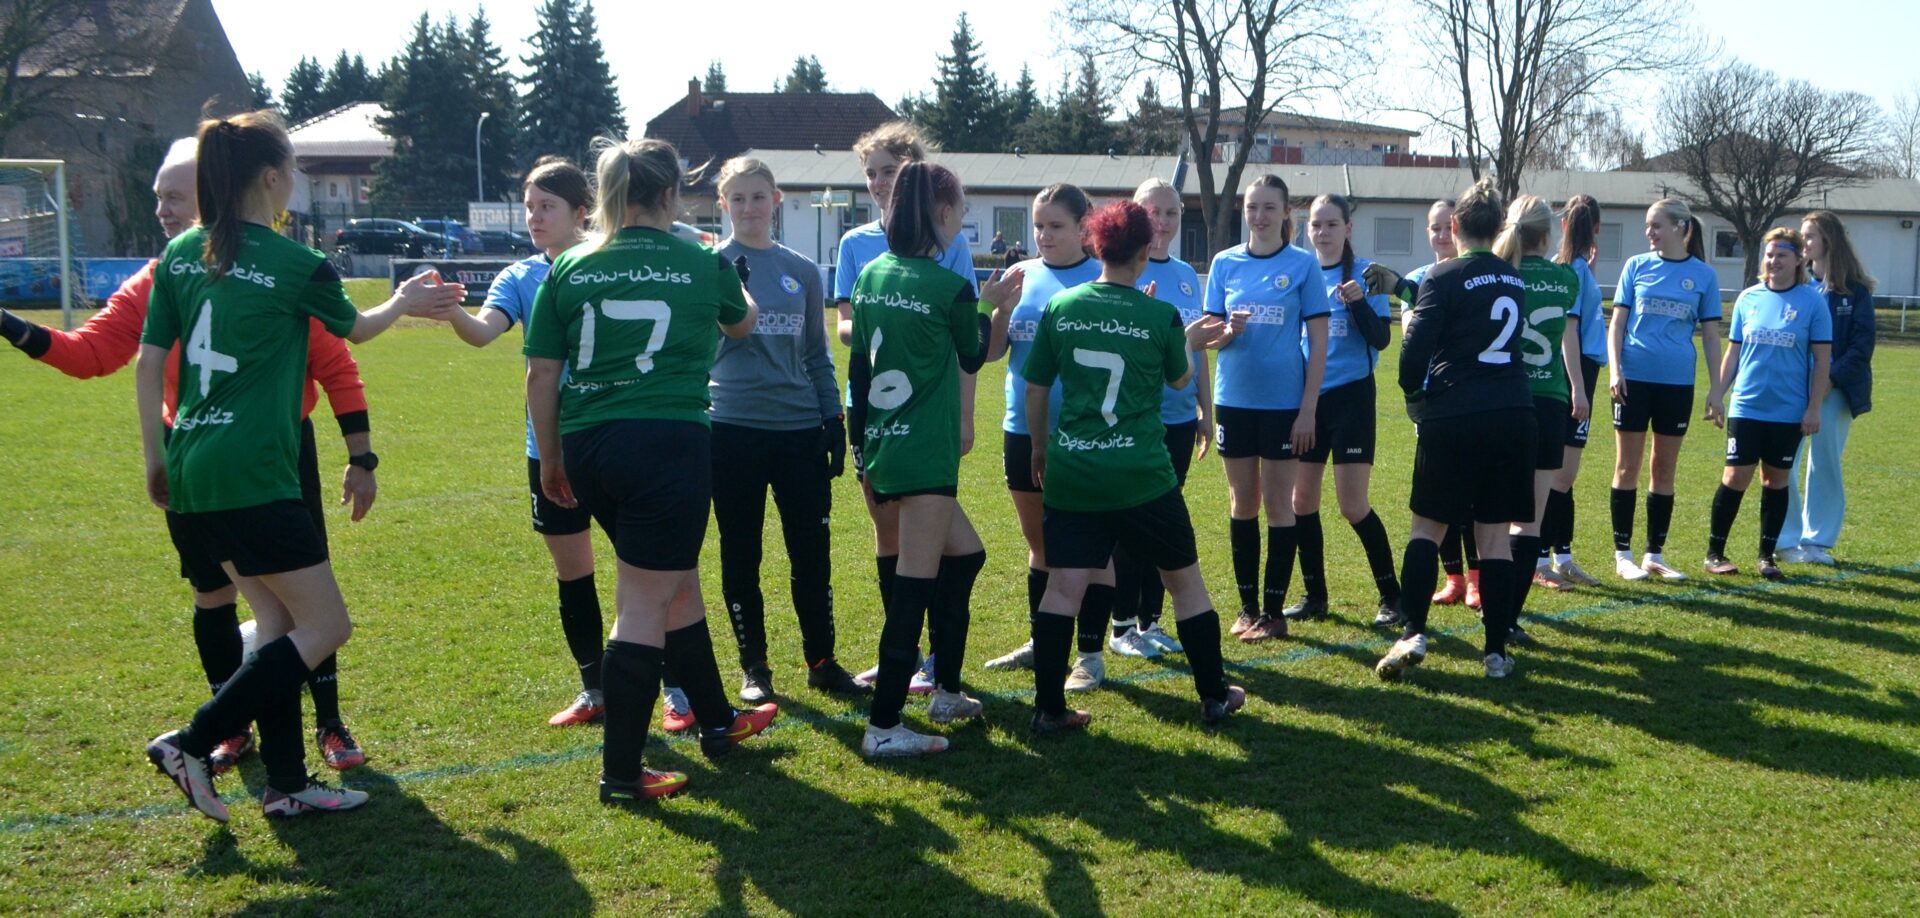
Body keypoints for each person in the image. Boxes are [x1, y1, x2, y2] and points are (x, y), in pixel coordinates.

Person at [2, 137, 374, 773]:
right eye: (157, 198)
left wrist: (361, 455)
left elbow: (337, 360)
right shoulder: (166, 273)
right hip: (194, 457)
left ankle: (327, 725)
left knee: (297, 595)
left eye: (173, 196)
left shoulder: (274, 269)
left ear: (215, 191)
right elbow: (90, 354)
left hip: (277, 453)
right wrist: (10, 324)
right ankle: (229, 732)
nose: (162, 210)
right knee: (222, 596)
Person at [140, 110, 466, 822]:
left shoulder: (182, 254)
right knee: (325, 627)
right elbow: (355, 330)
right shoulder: (293, 261)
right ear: (269, 178)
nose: (295, 182)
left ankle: (286, 782)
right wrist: (407, 301)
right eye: (291, 170)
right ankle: (191, 741)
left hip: (192, 461)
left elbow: (148, 361)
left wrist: (153, 455)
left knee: (280, 623)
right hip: (257, 468)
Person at [523, 137, 778, 804]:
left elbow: (542, 372)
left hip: (587, 445)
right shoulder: (699, 259)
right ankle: (621, 773)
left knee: (672, 584)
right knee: (644, 602)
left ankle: (718, 721)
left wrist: (550, 456)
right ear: (670, 194)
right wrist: (737, 290)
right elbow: (743, 326)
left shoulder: (571, 264)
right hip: (667, 443)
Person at [1021, 200, 1246, 733]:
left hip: (1075, 472)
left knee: (1062, 588)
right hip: (1144, 475)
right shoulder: (1158, 314)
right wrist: (1184, 341)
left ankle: (1048, 709)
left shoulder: (1064, 307)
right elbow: (1176, 382)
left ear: (1097, 245)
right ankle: (1214, 696)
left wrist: (1038, 448)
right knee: (1185, 584)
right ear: (1145, 252)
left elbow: (1036, 388)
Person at [848, 161, 1020, 757]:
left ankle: (946, 688)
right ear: (941, 213)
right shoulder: (949, 285)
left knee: (966, 556)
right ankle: (884, 725)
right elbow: (975, 355)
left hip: (884, 442)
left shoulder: (871, 274)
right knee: (914, 586)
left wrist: (858, 446)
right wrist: (995, 305)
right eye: (962, 206)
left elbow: (859, 372)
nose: (965, 217)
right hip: (925, 451)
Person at [831, 122, 987, 693]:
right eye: (869, 173)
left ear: (916, 180)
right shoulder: (859, 250)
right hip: (897, 423)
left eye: (888, 172)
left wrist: (967, 416)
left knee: (950, 552)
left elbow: (961, 348)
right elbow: (967, 338)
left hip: (913, 417)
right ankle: (908, 684)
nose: (877, 184)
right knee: (901, 545)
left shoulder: (935, 255)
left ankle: (935, 677)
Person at [707, 157, 866, 699]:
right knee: (740, 553)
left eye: (758, 197)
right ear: (723, 204)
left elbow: (818, 356)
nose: (748, 208)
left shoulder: (802, 270)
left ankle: (822, 660)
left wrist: (832, 417)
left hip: (798, 431)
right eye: (737, 198)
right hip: (731, 430)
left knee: (811, 554)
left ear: (776, 201)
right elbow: (699, 352)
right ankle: (755, 669)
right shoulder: (710, 268)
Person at [1375, 178, 1536, 682]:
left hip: (1456, 413)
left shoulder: (1441, 278)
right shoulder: (1514, 280)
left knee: (1427, 528)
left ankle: (1413, 632)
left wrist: (1414, 396)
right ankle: (1495, 653)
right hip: (1513, 412)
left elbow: (1412, 353)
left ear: (1457, 226)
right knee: (1493, 540)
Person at [979, 184, 1105, 688]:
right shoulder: (1021, 275)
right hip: (1021, 429)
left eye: (1056, 226)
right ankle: (1042, 640)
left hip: (1086, 433)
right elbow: (990, 355)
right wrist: (999, 310)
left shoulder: (1101, 276)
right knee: (1040, 545)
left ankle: (1091, 655)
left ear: (1083, 227)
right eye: (1038, 226)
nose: (1044, 235)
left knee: (1091, 547)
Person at [1205, 175, 1329, 644]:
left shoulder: (1302, 266)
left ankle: (1274, 613)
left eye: (1268, 208)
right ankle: (1247, 607)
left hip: (1284, 406)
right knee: (1242, 503)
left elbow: (1318, 344)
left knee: (1279, 505)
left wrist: (1308, 409)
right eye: (1252, 207)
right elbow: (1210, 336)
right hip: (1233, 401)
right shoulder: (1224, 263)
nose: (1259, 216)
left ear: (1283, 214)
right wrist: (1227, 332)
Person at [1282, 193, 1400, 628]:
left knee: (1353, 506)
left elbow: (1382, 340)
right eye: (1316, 224)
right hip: (1308, 401)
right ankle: (1315, 595)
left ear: (1348, 229)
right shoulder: (1297, 272)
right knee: (1301, 500)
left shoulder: (1366, 275)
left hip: (1352, 398)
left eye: (1332, 225)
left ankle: (1392, 597)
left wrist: (1355, 302)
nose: (1323, 233)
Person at [1105, 177, 1209, 657]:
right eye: (1154, 213)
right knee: (1133, 524)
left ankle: (1150, 621)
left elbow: (1198, 350)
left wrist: (1204, 409)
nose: (1163, 222)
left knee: (1163, 523)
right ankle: (1122, 624)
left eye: (1172, 213)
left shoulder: (1188, 274)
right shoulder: (1123, 273)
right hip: (1138, 419)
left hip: (1180, 418)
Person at [1366, 200, 1480, 611]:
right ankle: (1452, 576)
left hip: (1468, 395)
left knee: (1471, 496)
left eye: (1445, 228)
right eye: (1433, 229)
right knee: (1438, 492)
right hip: (1431, 397)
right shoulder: (1416, 279)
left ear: (1457, 228)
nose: (1440, 236)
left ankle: (1477, 579)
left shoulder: (1475, 276)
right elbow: (1415, 332)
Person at [1702, 228, 1831, 579]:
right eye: (1769, 255)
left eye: (1782, 255)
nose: (1773, 261)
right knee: (1735, 476)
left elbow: (1822, 361)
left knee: (1776, 480)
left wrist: (1813, 407)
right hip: (1748, 407)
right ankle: (1715, 553)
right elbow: (1734, 351)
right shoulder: (1749, 299)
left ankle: (1766, 556)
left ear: (1798, 260)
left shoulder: (1812, 302)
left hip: (1789, 410)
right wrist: (1718, 392)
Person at [1608, 198, 1723, 582]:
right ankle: (1622, 554)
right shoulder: (1636, 266)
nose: (1649, 232)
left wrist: (1716, 389)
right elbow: (1617, 325)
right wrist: (1616, 370)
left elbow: (1710, 335)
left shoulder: (1704, 275)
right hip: (1634, 379)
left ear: (1681, 227)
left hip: (1677, 384)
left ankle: (1653, 554)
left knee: (1664, 467)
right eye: (1647, 225)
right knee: (1628, 466)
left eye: (1656, 225)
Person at [1490, 195, 1587, 643]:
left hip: (1501, 399)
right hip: (1548, 403)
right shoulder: (1566, 277)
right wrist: (1579, 390)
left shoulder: (1496, 274)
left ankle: (1492, 610)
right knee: (1530, 520)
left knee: (1492, 515)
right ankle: (1508, 620)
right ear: (1549, 235)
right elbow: (1569, 335)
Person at [1776, 211, 1875, 565]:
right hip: (1794, 389)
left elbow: (1862, 347)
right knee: (1783, 461)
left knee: (1825, 463)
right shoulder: (1799, 289)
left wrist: (1828, 379)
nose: (1803, 244)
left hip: (1837, 391)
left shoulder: (1855, 291)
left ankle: (1817, 540)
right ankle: (1786, 539)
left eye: (1809, 236)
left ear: (1827, 241)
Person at [1541, 193, 1608, 586]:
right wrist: (1578, 389)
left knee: (1564, 476)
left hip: (1580, 372)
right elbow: (1568, 330)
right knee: (1558, 476)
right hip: (1574, 373)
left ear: (1564, 225)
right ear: (1596, 227)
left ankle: (1562, 555)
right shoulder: (1573, 272)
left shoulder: (1574, 268)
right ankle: (1537, 560)